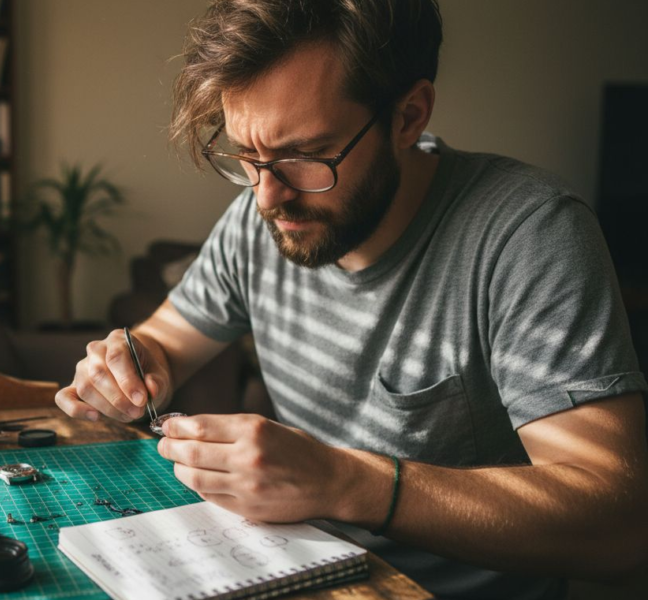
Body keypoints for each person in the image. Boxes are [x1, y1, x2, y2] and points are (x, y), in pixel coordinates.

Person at [55, 1, 648, 598]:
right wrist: (132, 361)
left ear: (408, 117)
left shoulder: (528, 235)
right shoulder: (255, 224)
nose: (266, 198)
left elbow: (620, 529)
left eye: (304, 156)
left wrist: (344, 481)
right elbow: (163, 341)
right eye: (247, 156)